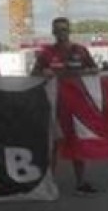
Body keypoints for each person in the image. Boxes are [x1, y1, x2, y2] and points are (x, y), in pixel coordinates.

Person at [31, 17, 100, 195]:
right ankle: (49, 184)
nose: (61, 33)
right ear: (53, 32)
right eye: (58, 30)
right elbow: (33, 74)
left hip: (76, 106)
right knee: (52, 144)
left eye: (64, 29)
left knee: (77, 143)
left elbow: (95, 70)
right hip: (54, 105)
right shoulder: (46, 53)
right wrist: (42, 72)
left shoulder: (81, 51)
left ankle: (81, 182)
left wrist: (88, 71)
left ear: (69, 31)